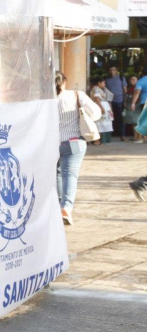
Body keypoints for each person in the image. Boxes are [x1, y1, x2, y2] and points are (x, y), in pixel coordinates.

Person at [56, 71, 101, 226]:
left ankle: (57, 207)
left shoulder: (45, 100)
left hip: (52, 143)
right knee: (70, 175)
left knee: (56, 174)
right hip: (74, 141)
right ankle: (66, 208)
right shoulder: (76, 95)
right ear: (65, 81)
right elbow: (96, 114)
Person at [104, 65, 127, 141]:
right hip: (109, 102)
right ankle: (110, 135)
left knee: (120, 119)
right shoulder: (106, 79)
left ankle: (122, 135)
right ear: (108, 71)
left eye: (113, 70)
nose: (112, 72)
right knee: (109, 118)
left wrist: (125, 101)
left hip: (119, 101)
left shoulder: (121, 78)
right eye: (110, 70)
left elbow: (125, 90)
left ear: (116, 70)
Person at [89, 77, 114, 145]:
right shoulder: (96, 88)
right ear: (99, 83)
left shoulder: (100, 89)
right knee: (98, 124)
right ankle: (96, 140)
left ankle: (99, 140)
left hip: (104, 105)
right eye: (103, 83)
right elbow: (97, 98)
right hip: (100, 105)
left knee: (101, 124)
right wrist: (101, 107)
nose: (104, 84)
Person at [129, 71, 147, 143]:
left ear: (142, 74)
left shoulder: (140, 81)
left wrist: (133, 103)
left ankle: (139, 138)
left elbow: (137, 92)